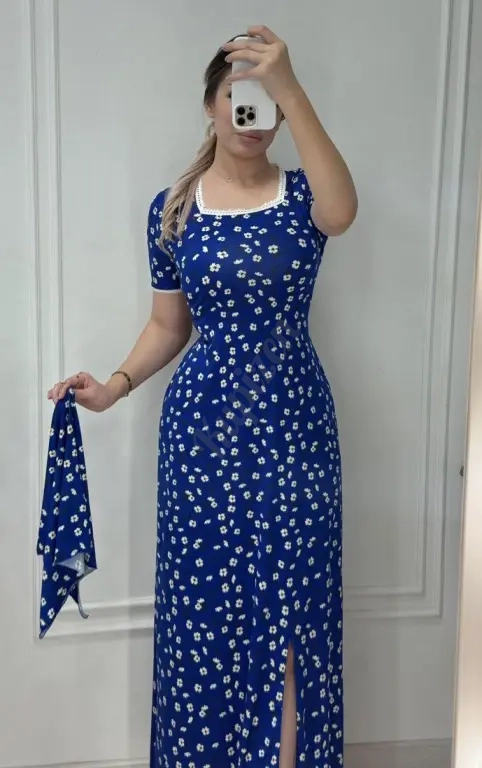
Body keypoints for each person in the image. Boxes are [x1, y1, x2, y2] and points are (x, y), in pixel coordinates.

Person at [48, 25, 357, 768]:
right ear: (211, 105)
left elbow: (344, 213)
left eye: (266, 103)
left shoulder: (305, 194)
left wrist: (291, 88)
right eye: (238, 98)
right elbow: (168, 325)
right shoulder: (172, 209)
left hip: (295, 432)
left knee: (291, 612)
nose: (253, 116)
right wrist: (113, 387)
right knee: (206, 617)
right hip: (201, 439)